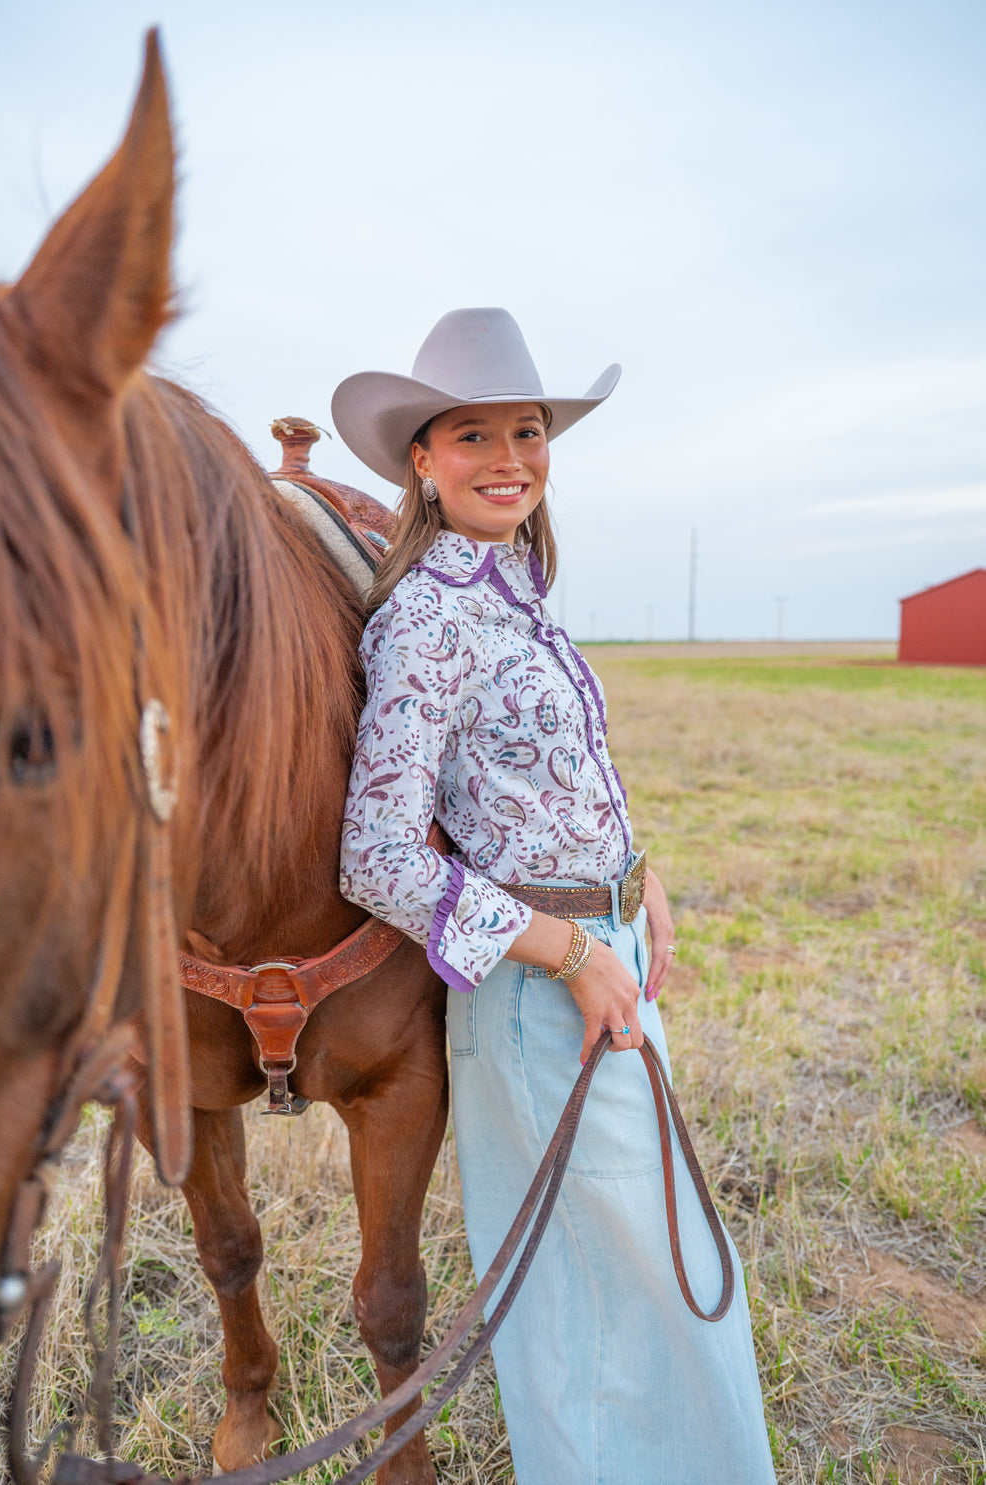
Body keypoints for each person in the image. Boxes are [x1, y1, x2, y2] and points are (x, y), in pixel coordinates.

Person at [333, 308, 776, 1484]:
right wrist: (572, 952)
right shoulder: (428, 618)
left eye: (526, 431)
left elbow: (552, 780)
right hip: (541, 987)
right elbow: (376, 853)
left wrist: (640, 877)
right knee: (638, 1273)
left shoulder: (519, 593)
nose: (508, 458)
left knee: (628, 1268)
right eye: (472, 435)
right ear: (422, 461)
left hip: (597, 946)